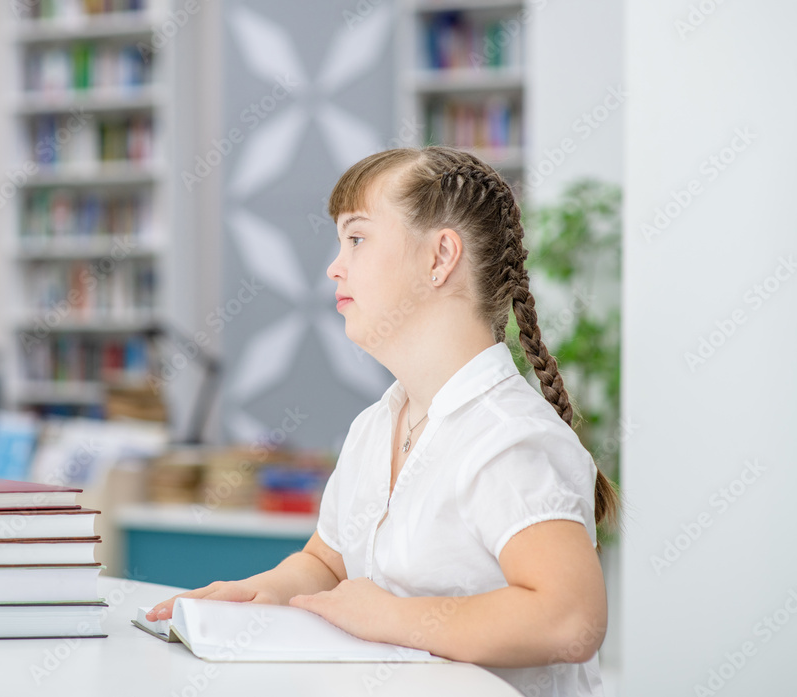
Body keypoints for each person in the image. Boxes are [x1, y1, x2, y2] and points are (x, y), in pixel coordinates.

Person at [147, 146, 619, 696]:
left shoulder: (508, 437)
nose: (334, 266)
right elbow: (327, 562)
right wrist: (258, 594)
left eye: (358, 238)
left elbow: (570, 621)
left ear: (440, 257)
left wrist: (393, 616)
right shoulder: (376, 426)